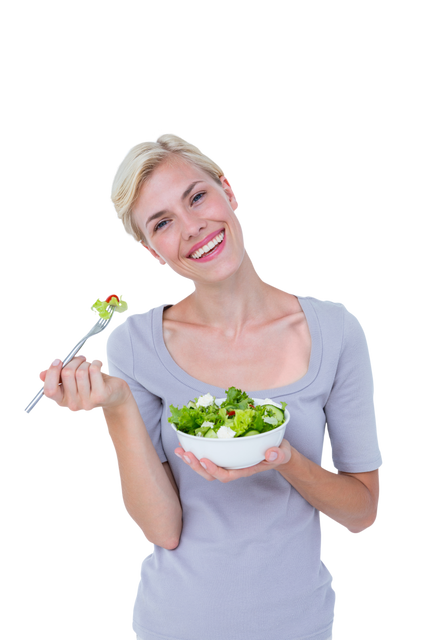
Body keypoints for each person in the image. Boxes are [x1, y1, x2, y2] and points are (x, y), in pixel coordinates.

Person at [37, 129, 384, 640]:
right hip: (172, 626)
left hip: (301, 627)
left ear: (229, 191)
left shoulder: (336, 328)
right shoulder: (135, 342)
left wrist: (283, 458)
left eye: (197, 196)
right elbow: (163, 530)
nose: (194, 227)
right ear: (154, 252)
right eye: (163, 223)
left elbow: (363, 514)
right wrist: (115, 407)